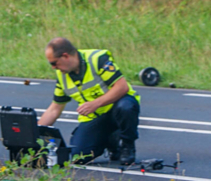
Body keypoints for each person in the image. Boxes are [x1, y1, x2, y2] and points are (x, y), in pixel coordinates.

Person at [37, 37, 140, 165]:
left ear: (65, 56)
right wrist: (35, 135)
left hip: (116, 110)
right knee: (77, 157)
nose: (53, 68)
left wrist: (95, 104)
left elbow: (121, 87)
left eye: (54, 63)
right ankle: (111, 141)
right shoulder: (62, 75)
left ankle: (127, 146)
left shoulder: (97, 59)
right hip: (95, 119)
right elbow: (54, 109)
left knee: (126, 107)